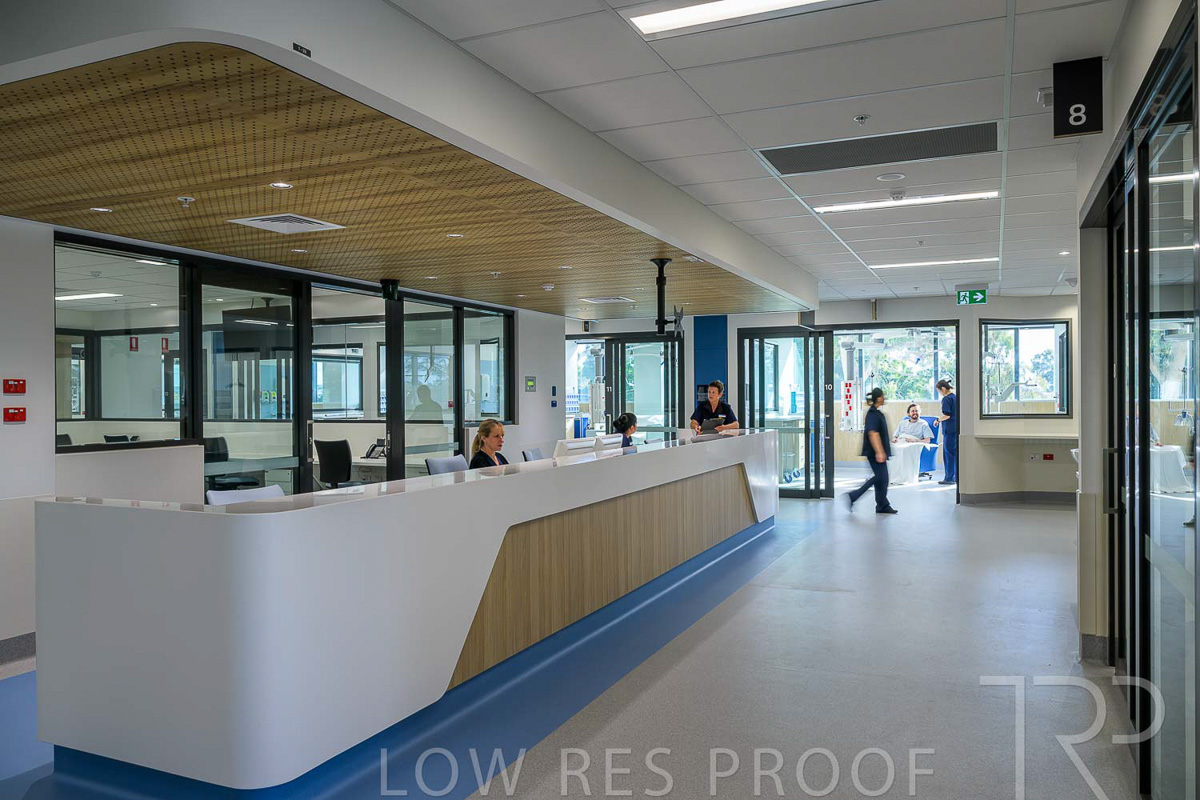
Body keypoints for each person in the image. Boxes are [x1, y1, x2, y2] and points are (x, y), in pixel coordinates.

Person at [847, 387, 897, 514]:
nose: (884, 398)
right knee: (880, 477)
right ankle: (854, 496)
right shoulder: (873, 414)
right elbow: (873, 433)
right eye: (882, 395)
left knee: (882, 479)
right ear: (878, 398)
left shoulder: (877, 413)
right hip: (874, 452)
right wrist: (879, 451)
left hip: (877, 452)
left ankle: (882, 505)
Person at [933, 379, 958, 485]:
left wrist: (938, 420)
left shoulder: (946, 399)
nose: (939, 393)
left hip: (949, 430)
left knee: (949, 454)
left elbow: (947, 415)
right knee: (955, 454)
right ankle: (956, 477)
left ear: (942, 389)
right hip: (956, 429)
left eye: (939, 391)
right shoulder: (955, 397)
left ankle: (949, 478)